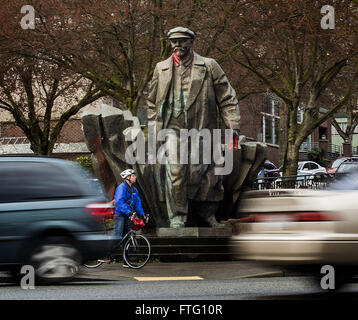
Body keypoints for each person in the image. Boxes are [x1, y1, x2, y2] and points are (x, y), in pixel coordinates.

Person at [146, 26, 240, 228]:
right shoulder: (161, 68)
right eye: (173, 41)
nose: (177, 45)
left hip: (202, 128)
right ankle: (177, 217)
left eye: (181, 40)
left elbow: (227, 98)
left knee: (206, 174)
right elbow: (152, 102)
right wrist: (155, 128)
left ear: (191, 42)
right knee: (176, 171)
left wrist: (233, 126)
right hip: (172, 129)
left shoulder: (209, 66)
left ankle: (207, 213)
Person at [111, 169, 148, 266]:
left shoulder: (134, 190)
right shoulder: (121, 187)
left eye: (134, 175)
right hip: (120, 215)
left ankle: (126, 261)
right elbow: (119, 202)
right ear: (127, 178)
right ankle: (107, 254)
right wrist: (129, 212)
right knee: (117, 236)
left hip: (128, 216)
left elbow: (138, 204)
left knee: (126, 239)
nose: (135, 177)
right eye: (133, 175)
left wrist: (142, 215)